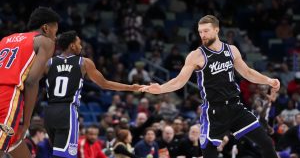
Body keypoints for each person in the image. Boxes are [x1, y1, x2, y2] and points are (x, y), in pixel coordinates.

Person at [141, 15, 280, 158]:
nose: (202, 35)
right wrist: (161, 88)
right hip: (214, 111)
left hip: (235, 107)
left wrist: (268, 80)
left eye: (206, 31)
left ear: (216, 30)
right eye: (200, 32)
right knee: (209, 154)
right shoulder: (196, 55)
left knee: (267, 143)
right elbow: (179, 81)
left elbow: (247, 72)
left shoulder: (231, 50)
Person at [44, 30, 143, 158]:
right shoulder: (83, 62)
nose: (81, 46)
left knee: (57, 154)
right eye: (79, 43)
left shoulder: (49, 63)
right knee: (65, 156)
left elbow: (31, 81)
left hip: (49, 111)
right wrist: (130, 87)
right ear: (72, 45)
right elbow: (105, 84)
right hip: (67, 112)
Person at [0, 6, 59, 158]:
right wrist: (26, 123)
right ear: (45, 28)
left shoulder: (6, 39)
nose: (56, 36)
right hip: (8, 94)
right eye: (55, 31)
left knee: (14, 144)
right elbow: (31, 82)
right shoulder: (45, 42)